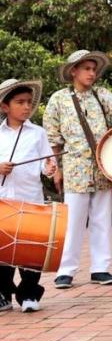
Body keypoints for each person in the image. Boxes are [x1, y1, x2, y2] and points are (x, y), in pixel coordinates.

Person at [43, 50, 112, 289]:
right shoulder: (58, 99)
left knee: (102, 218)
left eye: (94, 69)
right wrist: (56, 169)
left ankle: (100, 268)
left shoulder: (102, 95)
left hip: (105, 167)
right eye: (86, 69)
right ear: (73, 70)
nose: (92, 73)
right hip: (75, 168)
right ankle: (66, 270)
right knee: (73, 220)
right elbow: (52, 136)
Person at [0, 79, 57, 313]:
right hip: (4, 199)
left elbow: (47, 161)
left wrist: (50, 168)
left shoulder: (38, 133)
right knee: (3, 250)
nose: (26, 107)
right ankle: (3, 294)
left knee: (31, 248)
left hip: (30, 198)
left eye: (29, 103)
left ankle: (30, 294)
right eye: (19, 102)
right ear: (5, 107)